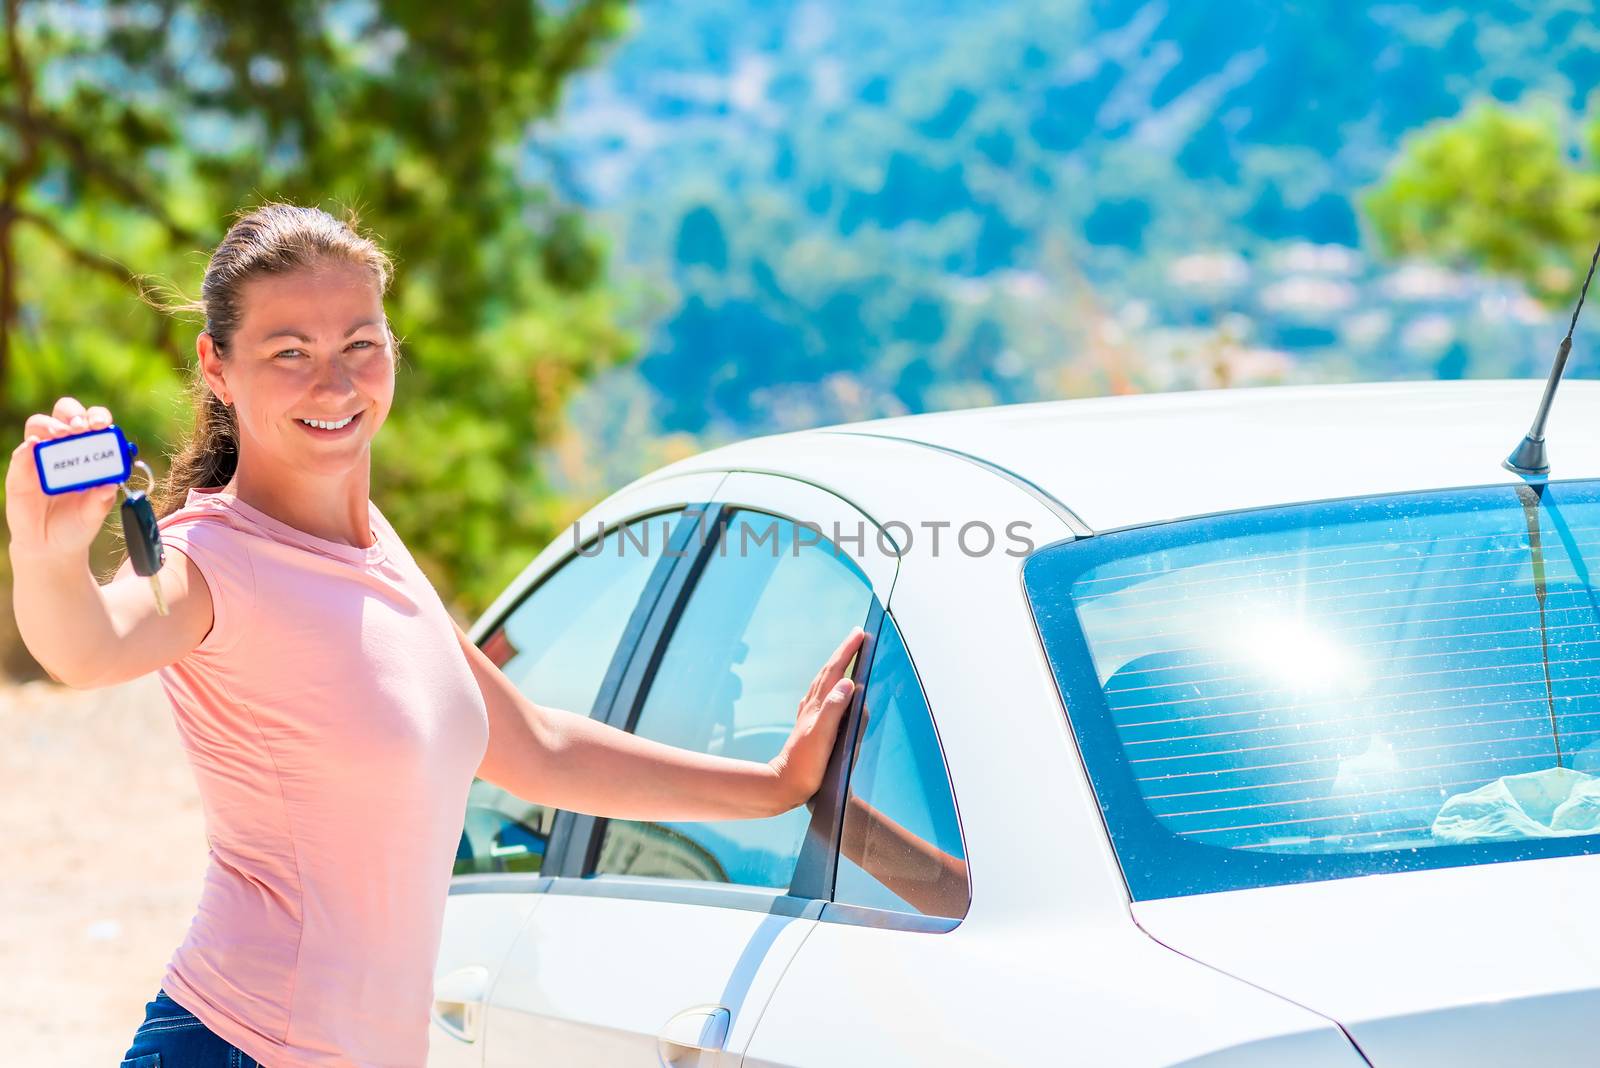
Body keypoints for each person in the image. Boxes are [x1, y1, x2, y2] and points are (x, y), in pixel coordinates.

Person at [5, 202, 864, 1068]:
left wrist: (773, 785)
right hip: (238, 1045)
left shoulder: (375, 544)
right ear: (217, 368)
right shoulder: (210, 558)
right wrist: (47, 555)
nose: (335, 384)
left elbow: (538, 747)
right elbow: (88, 647)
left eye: (360, 344)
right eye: (288, 353)